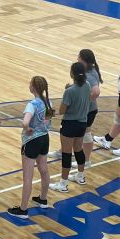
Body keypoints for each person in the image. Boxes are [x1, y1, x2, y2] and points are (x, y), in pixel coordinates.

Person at [7, 76, 54, 218]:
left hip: (32, 141)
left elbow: (25, 122)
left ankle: (23, 210)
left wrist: (28, 129)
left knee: (27, 176)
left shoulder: (32, 104)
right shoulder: (48, 102)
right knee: (44, 169)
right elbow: (47, 121)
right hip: (44, 138)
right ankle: (43, 199)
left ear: (33, 87)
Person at [50, 62, 91, 193]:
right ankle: (80, 176)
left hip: (69, 124)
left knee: (67, 154)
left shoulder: (69, 91)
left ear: (71, 73)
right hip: (82, 123)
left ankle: (63, 184)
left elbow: (62, 110)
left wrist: (50, 113)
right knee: (78, 150)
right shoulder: (87, 85)